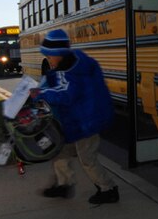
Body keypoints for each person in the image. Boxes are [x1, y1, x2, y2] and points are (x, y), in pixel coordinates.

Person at [31, 28, 119, 205]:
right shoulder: (73, 62)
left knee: (87, 158)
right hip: (77, 120)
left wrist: (41, 93)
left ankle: (108, 189)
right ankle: (64, 184)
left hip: (87, 122)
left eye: (50, 57)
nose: (48, 60)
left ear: (60, 54)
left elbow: (67, 95)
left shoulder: (73, 71)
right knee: (60, 151)